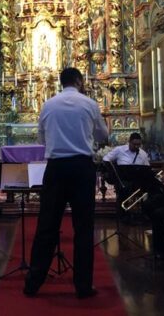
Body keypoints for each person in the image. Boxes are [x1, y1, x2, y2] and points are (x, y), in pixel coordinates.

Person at [24, 67, 108, 299]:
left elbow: (42, 138)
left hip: (56, 168)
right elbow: (102, 135)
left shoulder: (48, 104)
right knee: (83, 227)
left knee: (47, 225)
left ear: (61, 82)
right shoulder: (89, 104)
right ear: (80, 81)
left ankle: (33, 282)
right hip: (82, 168)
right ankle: (82, 285)